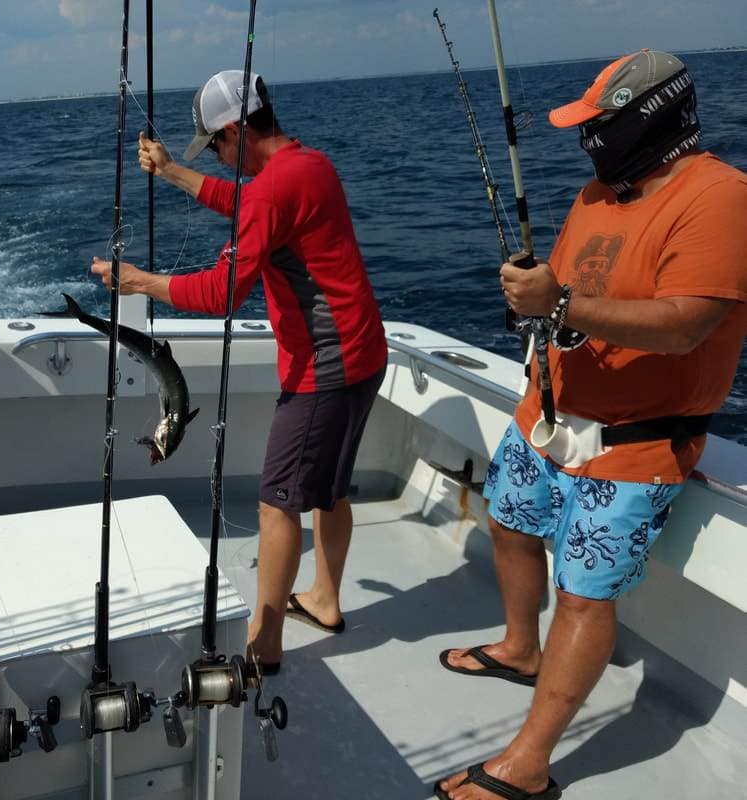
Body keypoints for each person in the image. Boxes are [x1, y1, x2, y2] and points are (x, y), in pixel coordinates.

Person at [436, 50, 747, 800]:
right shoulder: (597, 194)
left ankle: (528, 764)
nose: (587, 142)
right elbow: (572, 290)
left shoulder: (720, 197)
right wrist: (535, 298)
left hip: (635, 444)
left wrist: (561, 304)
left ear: (649, 120)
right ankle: (521, 648)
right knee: (508, 525)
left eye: (598, 126)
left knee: (582, 595)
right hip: (545, 415)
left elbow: (685, 325)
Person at [90, 70, 388, 672]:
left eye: (217, 147)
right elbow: (246, 204)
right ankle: (324, 599)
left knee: (278, 503)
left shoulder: (273, 190)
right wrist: (172, 171)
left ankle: (264, 643)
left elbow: (224, 291)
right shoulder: (309, 165)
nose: (220, 160)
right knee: (329, 491)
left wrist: (141, 282)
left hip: (324, 367)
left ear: (235, 130)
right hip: (363, 352)